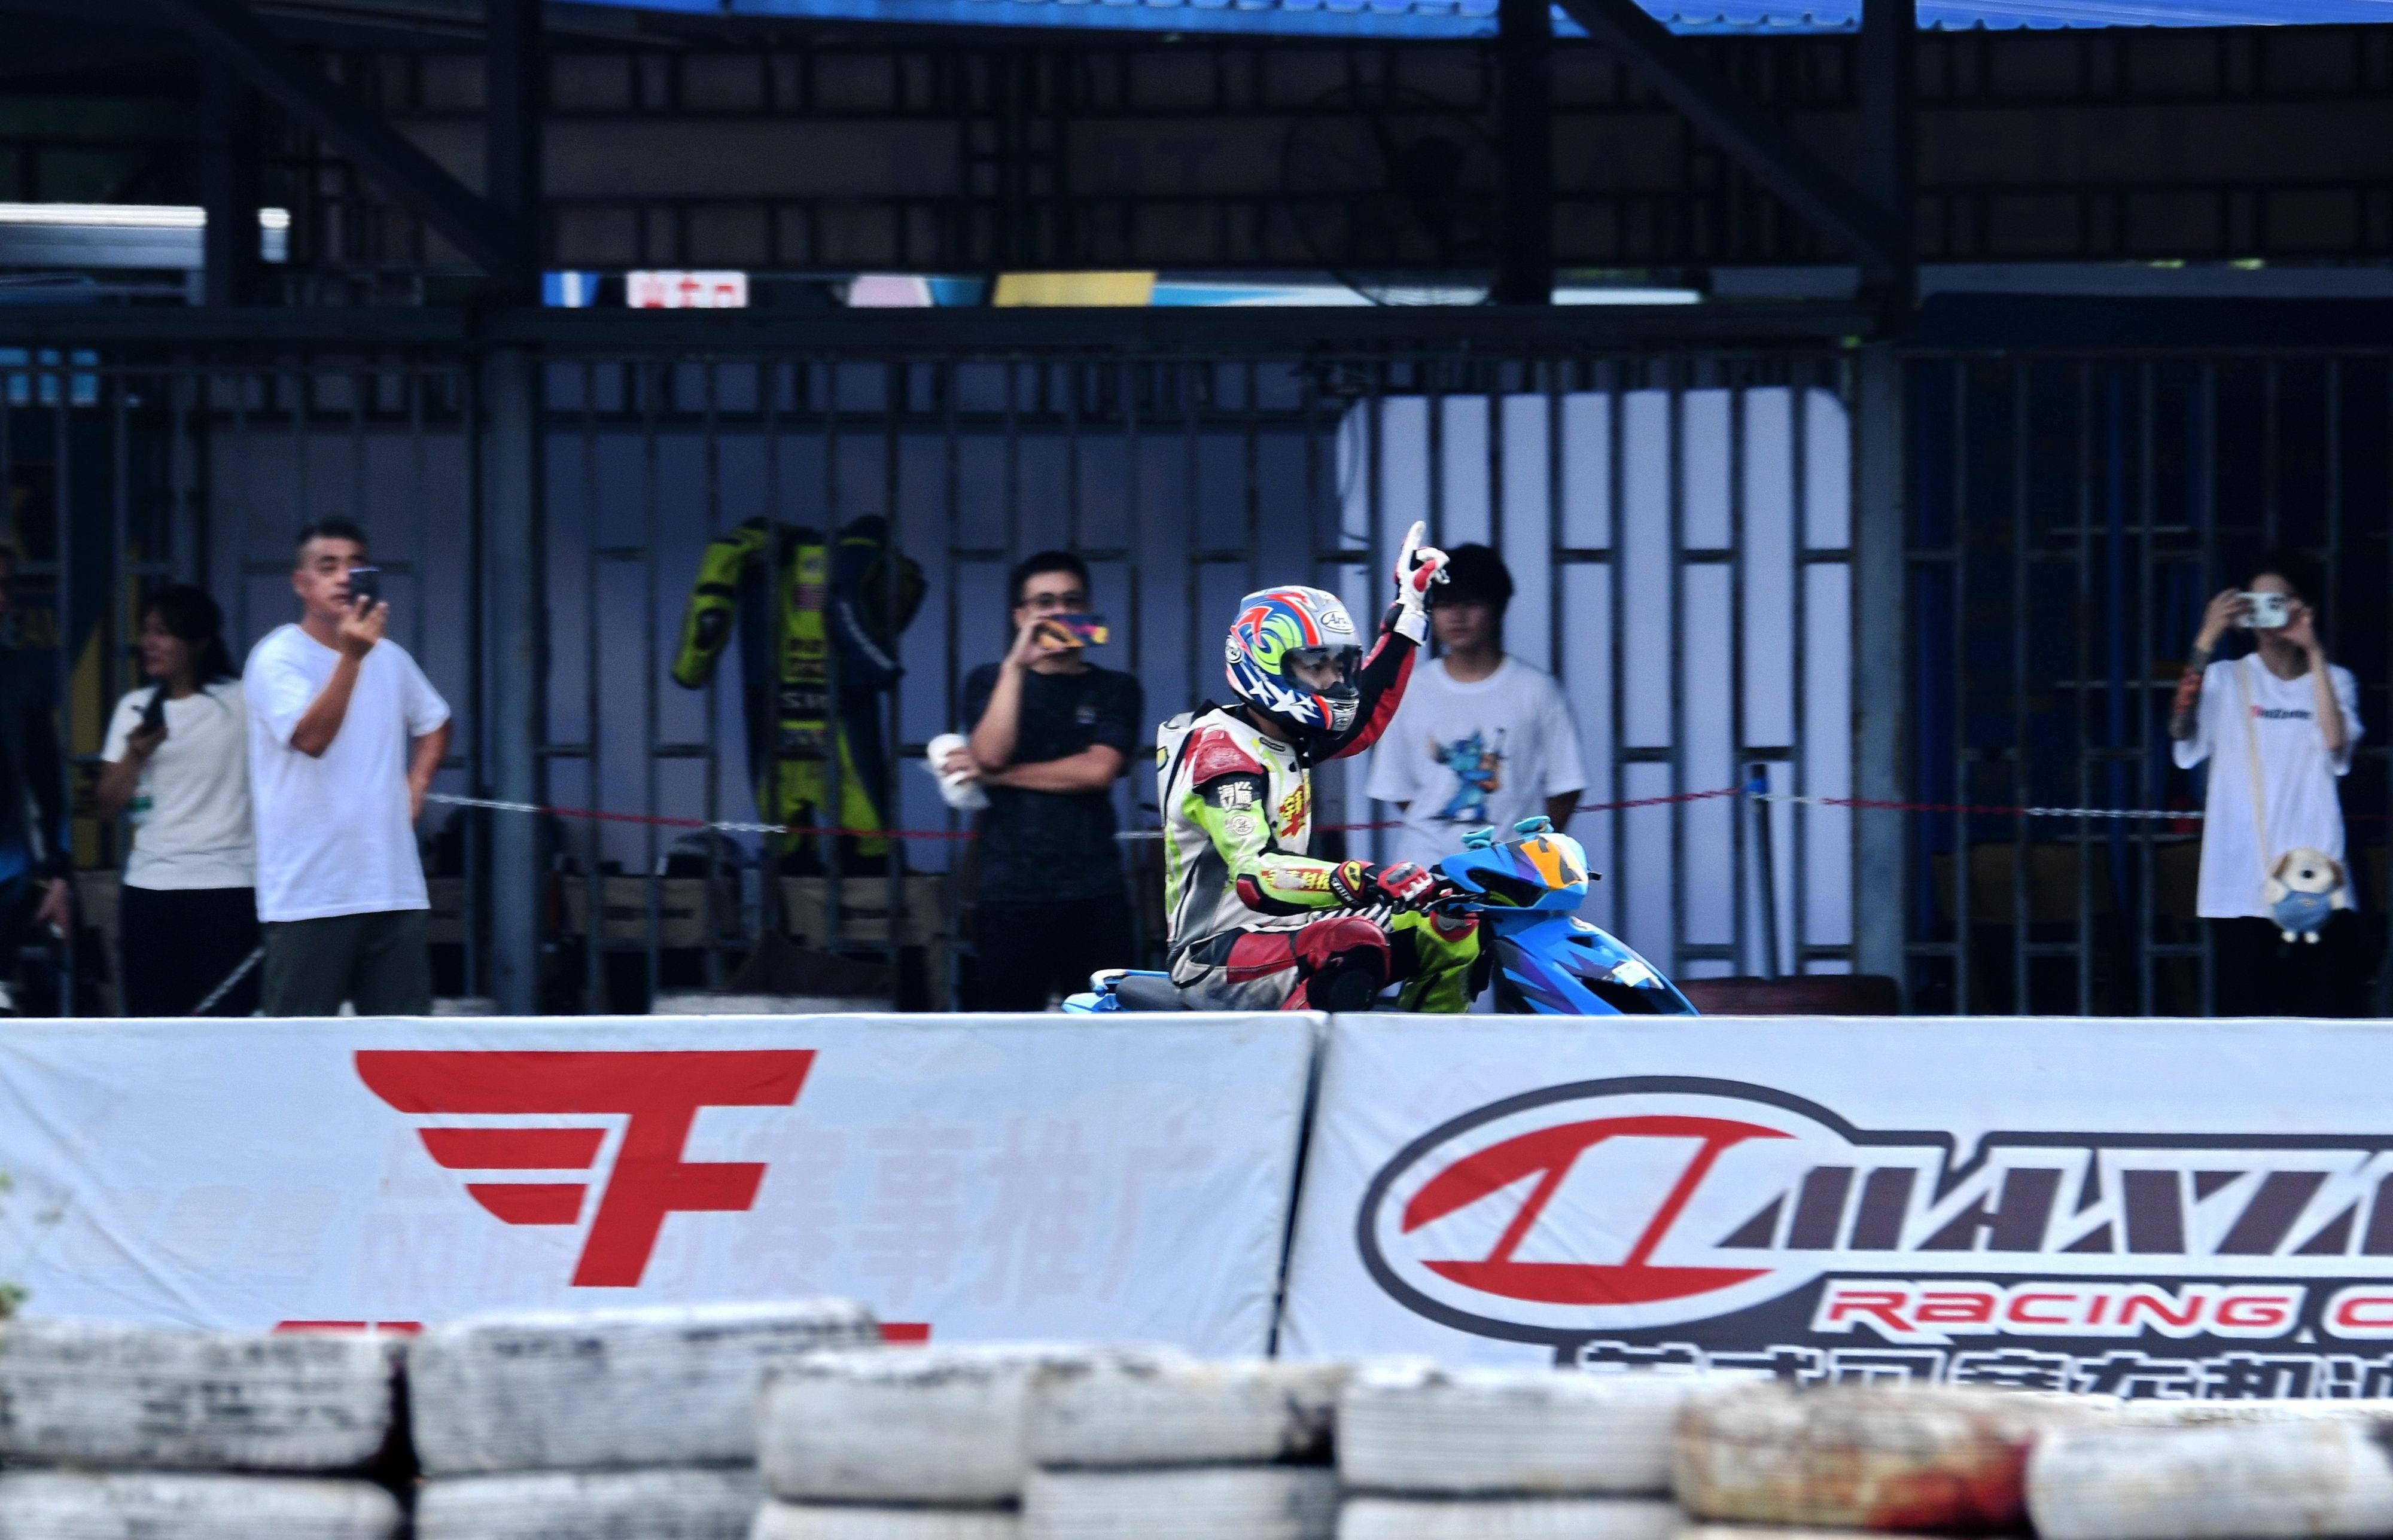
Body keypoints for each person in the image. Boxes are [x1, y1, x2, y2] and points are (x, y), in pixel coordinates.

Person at [1157, 522, 1470, 1011]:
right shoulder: (1223, 752)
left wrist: (1410, 606)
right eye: (1316, 666)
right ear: (1264, 662)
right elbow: (1256, 873)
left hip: (1288, 931)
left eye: (1340, 666)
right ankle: (1305, 1064)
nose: (1334, 681)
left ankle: (1428, 1056)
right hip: (1214, 956)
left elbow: (1365, 717)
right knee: (1351, 941)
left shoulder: (1285, 733)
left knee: (1452, 925)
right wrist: (1364, 877)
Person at [245, 519, 452, 1016]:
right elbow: (311, 738)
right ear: (301, 583)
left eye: (355, 566)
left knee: (401, 1047)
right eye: (328, 566)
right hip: (311, 892)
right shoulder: (278, 656)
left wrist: (418, 782)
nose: (343, 577)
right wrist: (352, 658)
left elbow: (436, 721)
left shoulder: (390, 657)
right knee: (299, 1045)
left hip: (391, 887)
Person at [2170, 551, 2367, 1017]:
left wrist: (2313, 650)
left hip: (2316, 876)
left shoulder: (2336, 680)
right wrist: (2207, 635)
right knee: (2243, 1021)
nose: (2268, 614)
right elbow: (2179, 728)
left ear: (2304, 607)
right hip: (2239, 877)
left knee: (2323, 1015)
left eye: (2279, 602)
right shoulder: (2226, 678)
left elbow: (2335, 743)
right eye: (2257, 602)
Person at [945, 552, 1143, 1010]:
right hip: (1009, 890)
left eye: (1072, 601)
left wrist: (1000, 776)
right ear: (1021, 616)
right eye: (1045, 602)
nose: (1060, 612)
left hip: (1094, 890)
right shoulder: (988, 680)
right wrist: (1016, 666)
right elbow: (990, 752)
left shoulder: (1116, 687)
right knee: (1006, 1030)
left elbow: (1097, 771)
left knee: (1108, 1028)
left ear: (1088, 608)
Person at [1364, 544, 1587, 871]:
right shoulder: (1409, 691)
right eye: (1445, 605)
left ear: (1497, 609)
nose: (1457, 616)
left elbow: (1566, 788)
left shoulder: (1538, 691)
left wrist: (1529, 856)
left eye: (1471, 603)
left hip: (1513, 874)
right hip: (1424, 873)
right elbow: (1399, 790)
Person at [97, 585, 258, 1016]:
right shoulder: (134, 707)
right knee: (153, 1025)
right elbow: (107, 806)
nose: (149, 643)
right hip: (150, 888)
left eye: (163, 633)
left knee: (228, 1026)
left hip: (228, 887)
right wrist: (135, 754)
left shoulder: (243, 700)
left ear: (199, 641)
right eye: (146, 632)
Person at [0, 544, 70, 1014]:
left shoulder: (21, 677)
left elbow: (49, 787)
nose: (1, 598)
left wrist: (59, 875)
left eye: (6, 586)